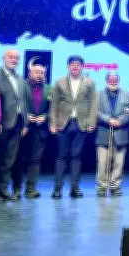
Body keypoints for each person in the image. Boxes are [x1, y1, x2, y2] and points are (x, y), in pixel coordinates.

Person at [49, 55, 98, 198]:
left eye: (78, 64)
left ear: (82, 67)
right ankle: (57, 189)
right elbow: (54, 105)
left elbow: (93, 104)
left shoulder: (89, 82)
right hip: (62, 124)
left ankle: (74, 188)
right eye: (72, 64)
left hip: (81, 124)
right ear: (68, 66)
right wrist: (52, 123)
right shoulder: (59, 82)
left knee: (76, 156)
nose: (75, 66)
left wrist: (91, 122)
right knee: (61, 156)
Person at [0, 49, 31, 202]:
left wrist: (25, 123)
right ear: (3, 58)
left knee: (10, 159)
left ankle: (3, 188)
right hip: (1, 123)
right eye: (11, 57)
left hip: (18, 123)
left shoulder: (20, 78)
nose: (14, 60)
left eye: (16, 58)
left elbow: (24, 102)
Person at [15, 61, 51, 198]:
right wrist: (26, 115)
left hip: (40, 130)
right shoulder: (22, 86)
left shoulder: (49, 88)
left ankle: (30, 189)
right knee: (19, 159)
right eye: (36, 72)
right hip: (24, 128)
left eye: (42, 73)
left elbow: (54, 108)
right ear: (30, 73)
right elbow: (17, 103)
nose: (39, 75)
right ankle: (17, 189)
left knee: (35, 160)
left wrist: (45, 117)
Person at [95, 71, 129, 197]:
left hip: (121, 132)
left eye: (115, 80)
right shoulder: (98, 94)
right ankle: (102, 186)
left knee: (119, 162)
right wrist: (108, 119)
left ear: (118, 80)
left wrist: (120, 121)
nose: (113, 82)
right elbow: (95, 111)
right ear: (106, 81)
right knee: (102, 162)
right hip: (104, 132)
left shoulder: (126, 94)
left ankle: (115, 186)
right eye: (111, 80)